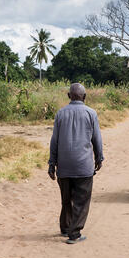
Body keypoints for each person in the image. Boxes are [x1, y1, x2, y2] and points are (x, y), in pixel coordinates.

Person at [48, 83, 103, 244]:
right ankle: (74, 233)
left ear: (68, 96)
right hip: (83, 166)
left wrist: (52, 163)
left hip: (63, 166)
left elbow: (54, 141)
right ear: (84, 97)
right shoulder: (91, 113)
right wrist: (99, 157)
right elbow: (97, 139)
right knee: (81, 200)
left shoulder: (60, 113)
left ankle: (65, 227)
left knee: (66, 199)